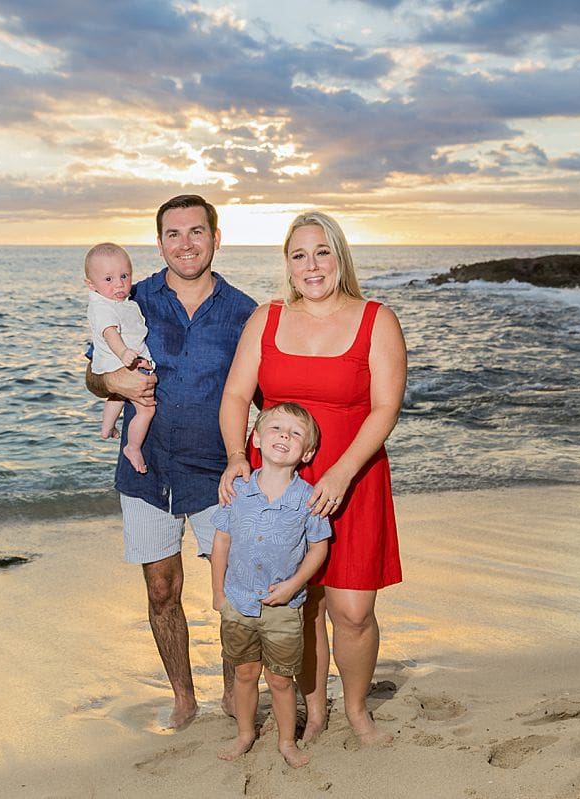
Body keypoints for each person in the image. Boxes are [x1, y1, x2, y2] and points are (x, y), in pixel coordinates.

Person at [218, 211, 407, 746]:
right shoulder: (267, 318)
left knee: (352, 610)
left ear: (340, 256)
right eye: (299, 255)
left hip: (354, 476)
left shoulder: (377, 319)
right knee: (298, 604)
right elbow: (235, 395)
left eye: (322, 251)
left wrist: (344, 472)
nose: (311, 265)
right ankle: (315, 712)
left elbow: (386, 407)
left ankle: (356, 710)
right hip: (277, 484)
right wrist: (237, 457)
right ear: (287, 264)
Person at [86, 195, 257, 729]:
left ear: (216, 237)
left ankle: (234, 692)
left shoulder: (244, 312)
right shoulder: (127, 299)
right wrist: (111, 382)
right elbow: (95, 375)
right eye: (174, 234)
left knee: (234, 592)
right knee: (162, 590)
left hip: (219, 473)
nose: (186, 243)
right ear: (159, 242)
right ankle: (184, 697)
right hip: (148, 470)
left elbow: (267, 396)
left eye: (196, 232)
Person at [211, 402, 331, 768]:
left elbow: (318, 548)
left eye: (296, 434)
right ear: (257, 439)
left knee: (280, 680)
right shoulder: (238, 491)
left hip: (283, 608)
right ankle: (245, 733)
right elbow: (221, 542)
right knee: (245, 673)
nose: (285, 437)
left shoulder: (307, 500)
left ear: (307, 452)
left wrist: (295, 585)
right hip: (238, 601)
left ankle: (286, 741)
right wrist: (218, 594)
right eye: (277, 429)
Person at [84, 242, 155, 473]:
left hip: (117, 362)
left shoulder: (121, 301)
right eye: (108, 279)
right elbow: (110, 333)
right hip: (121, 360)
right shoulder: (104, 307)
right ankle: (132, 447)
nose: (119, 284)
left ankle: (107, 428)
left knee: (117, 396)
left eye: (124, 276)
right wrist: (124, 354)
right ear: (91, 285)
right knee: (146, 410)